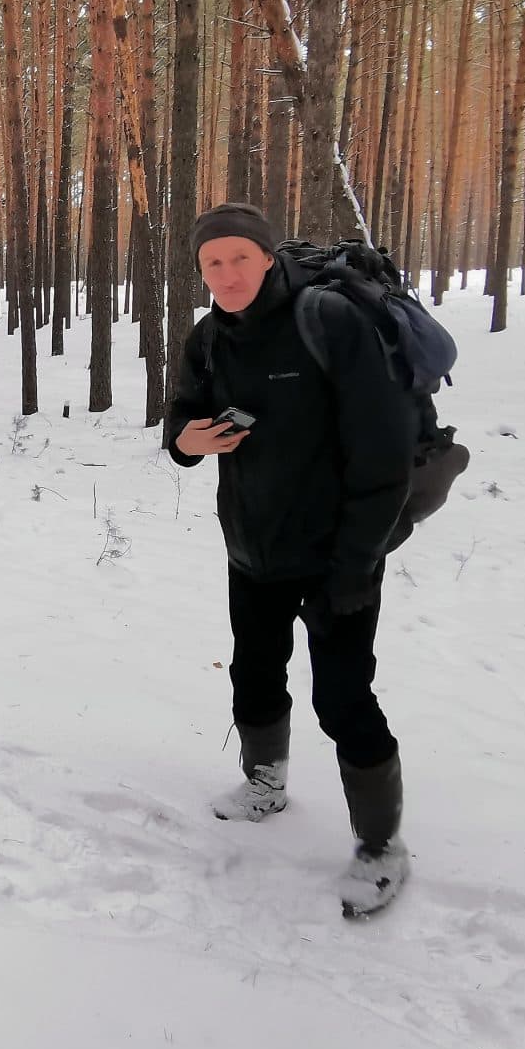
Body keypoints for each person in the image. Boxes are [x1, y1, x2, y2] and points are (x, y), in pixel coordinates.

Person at [162, 201, 416, 916]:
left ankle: (380, 847)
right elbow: (180, 413)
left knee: (342, 698)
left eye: (240, 256)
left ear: (268, 257)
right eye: (212, 262)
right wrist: (186, 440)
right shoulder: (209, 338)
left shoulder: (327, 324)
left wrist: (357, 562)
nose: (226, 272)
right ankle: (264, 785)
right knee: (254, 672)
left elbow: (385, 457)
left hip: (338, 554)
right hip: (252, 549)